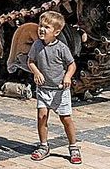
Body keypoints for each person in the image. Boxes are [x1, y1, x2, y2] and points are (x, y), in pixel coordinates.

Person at [28, 11, 82, 164]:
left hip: (60, 91)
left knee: (66, 119)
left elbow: (72, 65)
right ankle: (44, 146)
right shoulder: (37, 45)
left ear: (56, 32)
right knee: (41, 117)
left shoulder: (61, 48)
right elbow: (30, 61)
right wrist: (36, 72)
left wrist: (67, 77)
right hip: (44, 89)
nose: (41, 29)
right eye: (40, 26)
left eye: (46, 27)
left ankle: (73, 146)